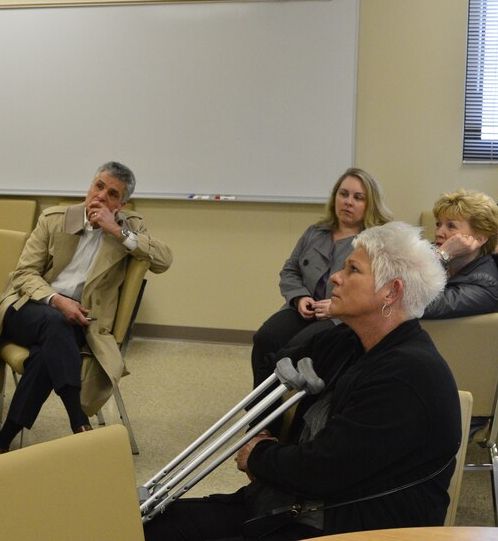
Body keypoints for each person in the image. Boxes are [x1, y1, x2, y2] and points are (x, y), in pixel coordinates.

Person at [143, 222, 461, 541]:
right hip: (293, 506)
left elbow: (324, 469)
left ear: (390, 292)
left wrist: (258, 455)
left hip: (347, 527)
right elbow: (276, 361)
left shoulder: (408, 375)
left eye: (353, 270)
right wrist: (267, 431)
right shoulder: (348, 341)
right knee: (150, 526)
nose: (336, 276)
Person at [0, 162, 172, 456]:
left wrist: (117, 232)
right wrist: (56, 300)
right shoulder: (55, 219)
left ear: (121, 204)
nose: (101, 196)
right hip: (30, 307)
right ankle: (78, 421)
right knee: (56, 323)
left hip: (79, 322)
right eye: (99, 186)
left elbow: (164, 260)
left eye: (112, 193)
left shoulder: (128, 227)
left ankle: (2, 441)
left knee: (46, 354)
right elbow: (24, 274)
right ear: (90, 186)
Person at [251, 168, 392, 386]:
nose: (348, 202)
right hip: (302, 309)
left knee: (295, 350)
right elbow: (290, 271)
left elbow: (376, 290)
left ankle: (292, 409)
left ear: (370, 204)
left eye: (358, 198)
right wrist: (299, 297)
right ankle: (262, 416)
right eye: (343, 194)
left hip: (340, 318)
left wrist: (338, 306)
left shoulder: (375, 242)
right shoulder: (315, 232)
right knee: (265, 338)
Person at [423, 189, 498, 319]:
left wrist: (443, 255)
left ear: (480, 239)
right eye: (438, 224)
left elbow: (415, 305)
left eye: (451, 226)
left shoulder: (484, 285)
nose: (438, 232)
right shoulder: (430, 251)